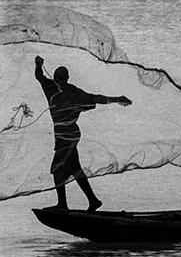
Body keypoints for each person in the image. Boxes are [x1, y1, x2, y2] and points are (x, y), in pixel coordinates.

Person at [34, 55, 132, 212]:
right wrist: (38, 64)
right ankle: (93, 201)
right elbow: (40, 76)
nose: (58, 80)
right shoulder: (61, 89)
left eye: (59, 78)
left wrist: (116, 99)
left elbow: (94, 98)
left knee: (57, 169)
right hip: (68, 135)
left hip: (66, 137)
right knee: (74, 168)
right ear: (61, 77)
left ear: (62, 78)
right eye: (58, 77)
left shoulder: (62, 90)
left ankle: (62, 205)